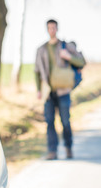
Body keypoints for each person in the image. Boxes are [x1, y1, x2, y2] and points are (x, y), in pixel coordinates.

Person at [35, 19, 85, 160]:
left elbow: (81, 61)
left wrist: (68, 56)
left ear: (57, 29)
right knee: (49, 121)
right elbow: (37, 71)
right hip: (48, 92)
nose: (52, 30)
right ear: (47, 29)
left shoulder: (65, 46)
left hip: (63, 91)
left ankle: (68, 147)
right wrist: (39, 89)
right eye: (49, 28)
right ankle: (53, 151)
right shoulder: (42, 49)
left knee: (65, 121)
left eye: (54, 28)